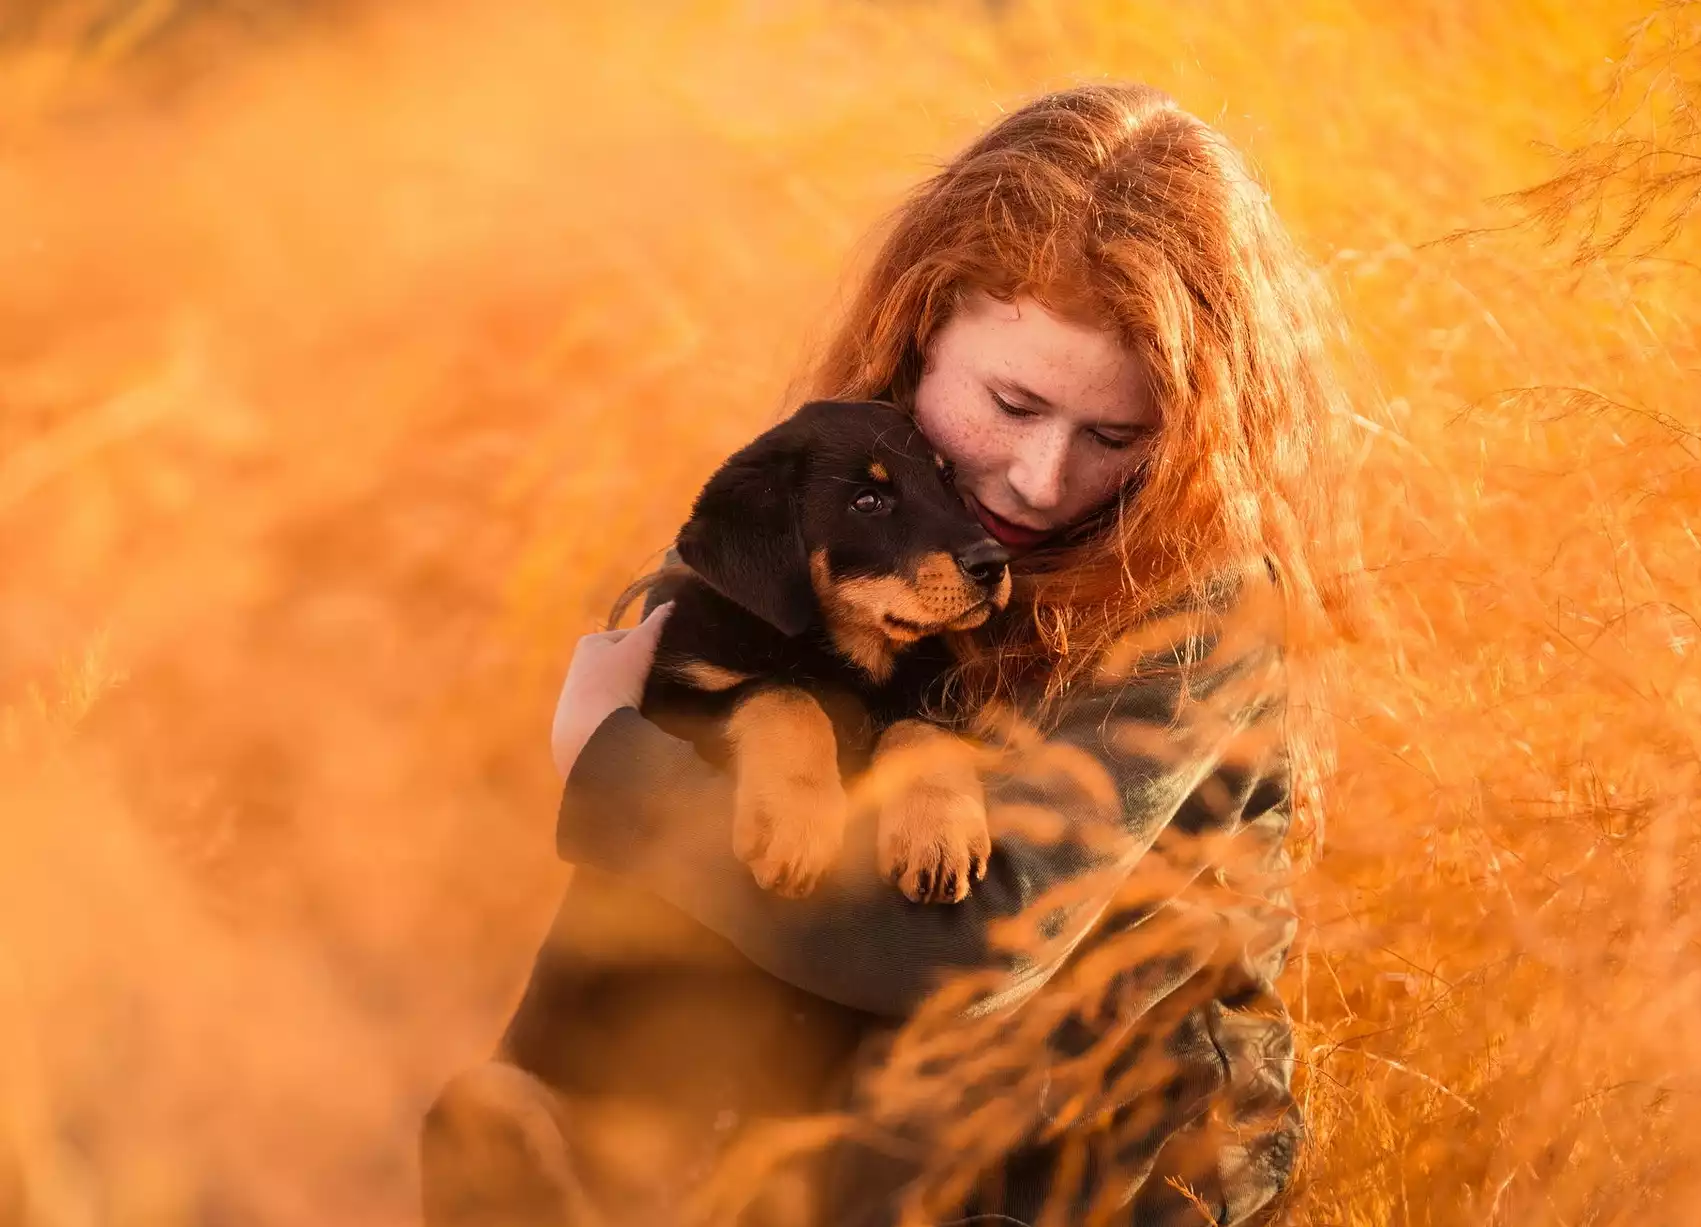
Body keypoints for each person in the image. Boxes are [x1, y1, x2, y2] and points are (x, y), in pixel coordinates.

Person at [425, 81, 1365, 1227]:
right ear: (922, 332)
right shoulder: (827, 488)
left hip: (1103, 1177)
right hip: (848, 1159)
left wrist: (612, 760)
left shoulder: (1199, 604)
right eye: (1012, 403)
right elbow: (694, 776)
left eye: (1115, 435)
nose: (1042, 479)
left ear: (1191, 428)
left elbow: (971, 944)